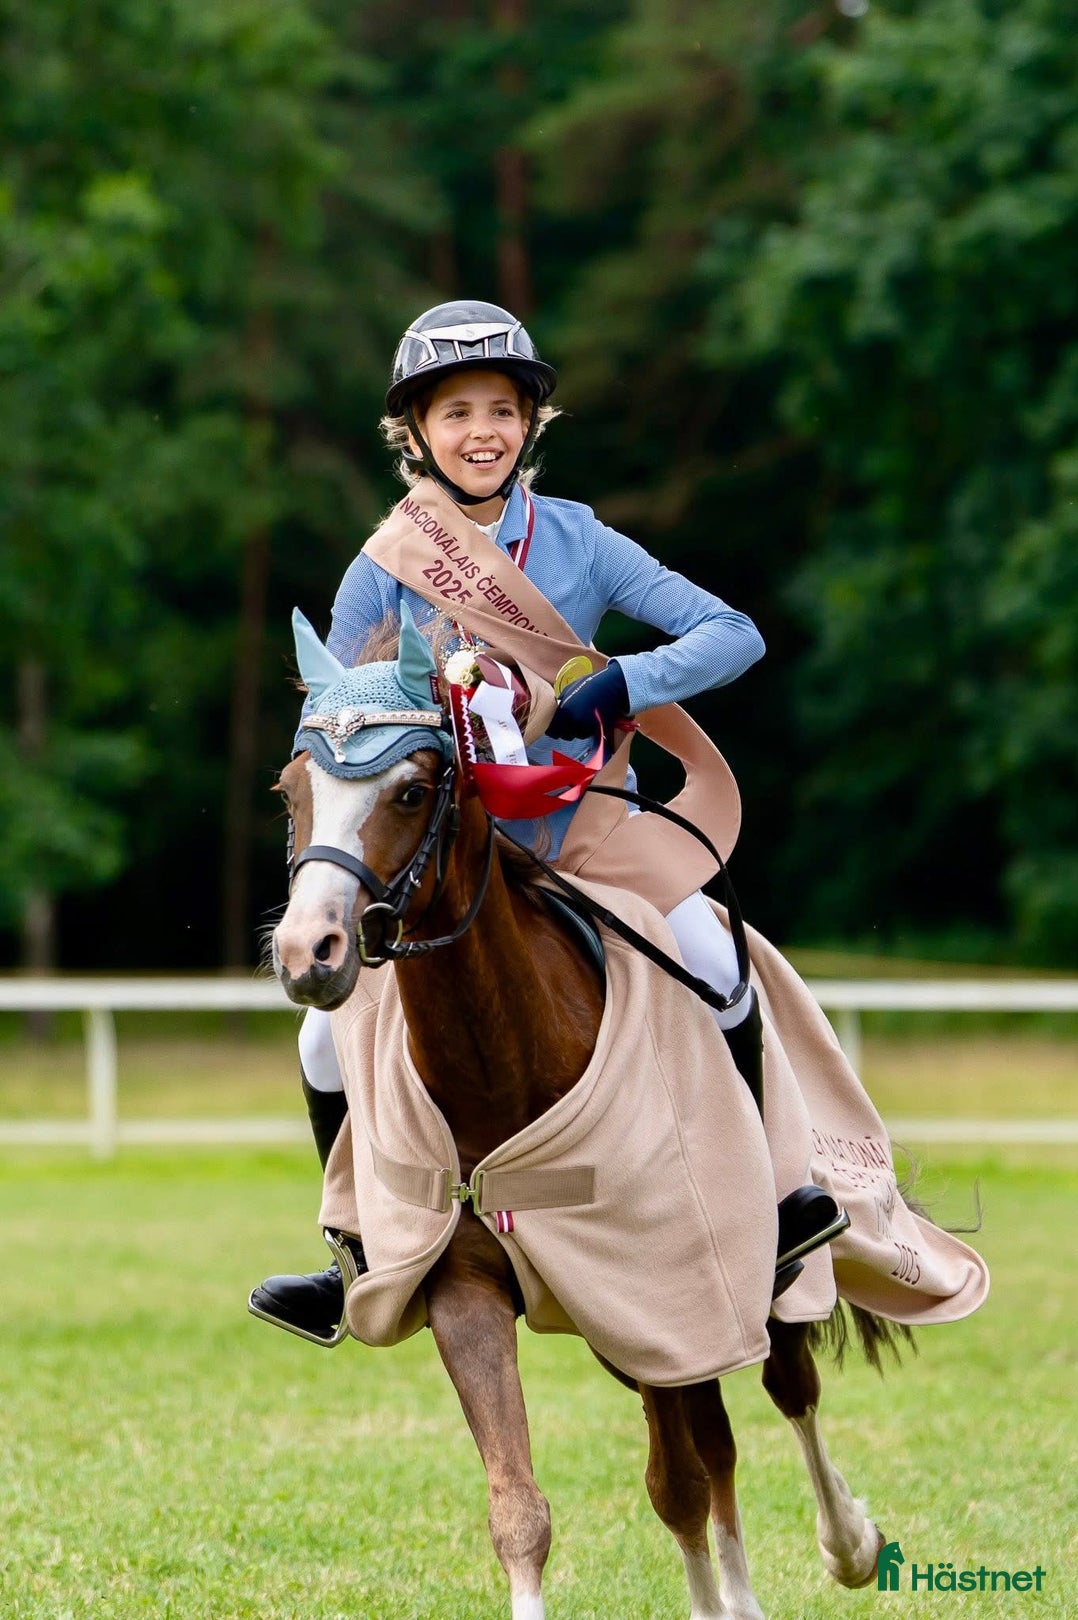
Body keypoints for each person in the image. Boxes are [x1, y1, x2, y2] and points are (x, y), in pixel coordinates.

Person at [250, 300, 844, 1342]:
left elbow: (732, 634)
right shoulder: (383, 563)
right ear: (415, 434)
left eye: (502, 411)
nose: (481, 432)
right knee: (318, 1039)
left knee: (710, 952)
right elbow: (332, 710)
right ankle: (347, 1247)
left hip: (579, 824)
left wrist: (606, 686)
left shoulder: (581, 539)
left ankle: (784, 1195)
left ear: (531, 423)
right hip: (439, 850)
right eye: (456, 413)